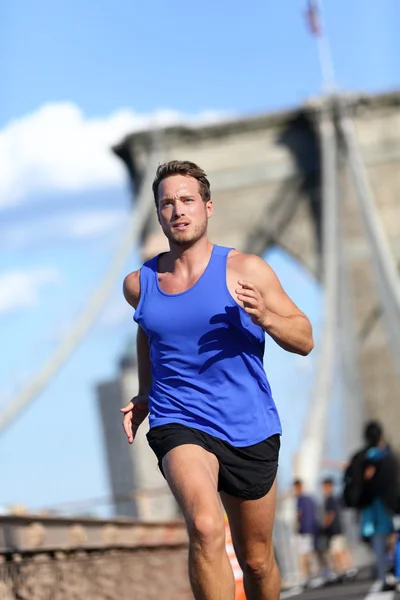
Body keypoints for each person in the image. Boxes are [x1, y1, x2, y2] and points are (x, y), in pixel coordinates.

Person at [121, 160, 314, 600]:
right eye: (167, 203)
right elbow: (147, 330)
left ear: (208, 207)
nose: (178, 211)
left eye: (187, 200)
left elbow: (304, 339)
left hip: (249, 426)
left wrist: (265, 317)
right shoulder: (139, 283)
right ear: (157, 213)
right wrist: (147, 394)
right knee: (206, 527)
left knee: (258, 559)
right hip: (180, 420)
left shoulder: (246, 270)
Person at [344, 420, 399, 593]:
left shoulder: (359, 457)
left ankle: (383, 575)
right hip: (390, 505)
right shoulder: (388, 456)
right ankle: (395, 572)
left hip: (369, 508)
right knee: (395, 539)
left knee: (377, 542)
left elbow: (349, 477)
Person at [320, 477, 356, 581]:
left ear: (329, 487)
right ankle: (349, 569)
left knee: (336, 552)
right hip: (339, 529)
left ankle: (343, 571)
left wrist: (324, 526)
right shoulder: (335, 499)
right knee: (341, 550)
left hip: (334, 531)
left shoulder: (329, 499)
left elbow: (330, 515)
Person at [292, 479, 319, 587]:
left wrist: (297, 525)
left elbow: (299, 515)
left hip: (303, 531)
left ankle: (306, 577)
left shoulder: (300, 500)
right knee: (308, 554)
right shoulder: (310, 499)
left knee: (303, 555)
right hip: (311, 530)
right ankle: (309, 576)